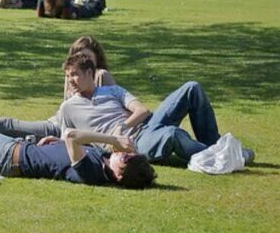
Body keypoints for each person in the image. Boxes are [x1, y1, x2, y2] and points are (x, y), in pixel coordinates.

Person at [58, 53, 255, 164]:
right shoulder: (68, 108)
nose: (70, 81)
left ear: (89, 73)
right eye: (67, 76)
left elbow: (142, 111)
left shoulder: (112, 91)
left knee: (192, 88)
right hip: (132, 144)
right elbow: (66, 140)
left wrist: (122, 126)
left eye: (74, 75)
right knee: (172, 134)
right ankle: (225, 156)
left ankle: (216, 145)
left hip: (147, 125)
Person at [0, 125, 156, 189]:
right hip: (16, 146)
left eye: (125, 156)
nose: (122, 152)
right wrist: (57, 143)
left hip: (9, 158)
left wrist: (113, 141)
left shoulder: (93, 173)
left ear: (121, 171)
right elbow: (68, 142)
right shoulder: (103, 158)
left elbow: (71, 135)